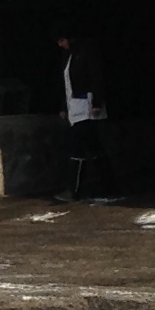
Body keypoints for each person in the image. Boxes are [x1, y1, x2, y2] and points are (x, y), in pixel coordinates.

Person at [59, 33, 110, 201]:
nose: (61, 44)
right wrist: (64, 107)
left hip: (86, 106)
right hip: (75, 108)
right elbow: (66, 85)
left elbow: (96, 77)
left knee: (77, 146)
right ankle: (109, 187)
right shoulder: (69, 57)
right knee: (94, 147)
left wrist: (96, 102)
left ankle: (73, 190)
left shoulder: (86, 52)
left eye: (62, 40)